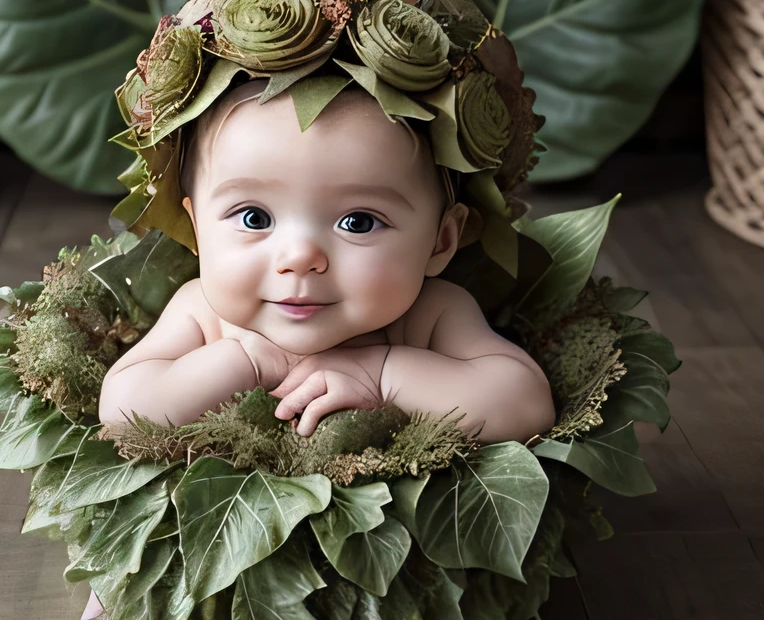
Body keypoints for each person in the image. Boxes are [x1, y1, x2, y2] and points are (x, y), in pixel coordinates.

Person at [98, 77, 555, 443]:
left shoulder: (432, 314)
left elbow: (525, 403)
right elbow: (122, 409)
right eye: (254, 217)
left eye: (358, 222)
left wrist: (381, 372)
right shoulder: (203, 313)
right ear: (198, 229)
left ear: (441, 241)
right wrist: (240, 361)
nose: (299, 259)